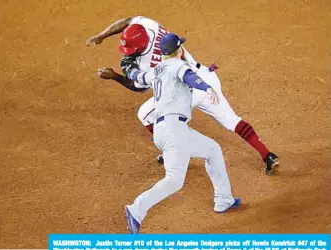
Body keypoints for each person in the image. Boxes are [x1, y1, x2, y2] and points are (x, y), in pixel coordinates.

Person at [86, 16, 279, 175]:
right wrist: (102, 35)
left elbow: (138, 88)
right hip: (205, 79)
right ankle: (267, 155)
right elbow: (128, 21)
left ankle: (175, 152)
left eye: (131, 50)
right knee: (232, 120)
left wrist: (114, 77)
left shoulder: (150, 64)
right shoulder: (147, 25)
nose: (128, 53)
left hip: (183, 93)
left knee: (145, 114)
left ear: (140, 46)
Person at [123, 33, 241, 234]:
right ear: (178, 50)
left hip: (166, 130)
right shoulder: (178, 65)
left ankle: (224, 200)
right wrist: (207, 87)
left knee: (213, 149)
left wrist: (129, 68)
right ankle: (137, 209)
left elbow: (137, 77)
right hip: (174, 130)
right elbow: (190, 77)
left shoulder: (156, 70)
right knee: (174, 180)